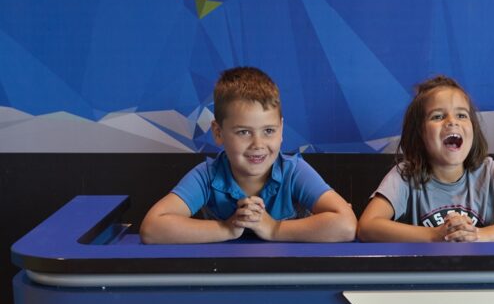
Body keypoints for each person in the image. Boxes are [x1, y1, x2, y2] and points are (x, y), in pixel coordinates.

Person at [140, 67, 356, 243]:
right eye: (244, 132)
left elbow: (345, 226)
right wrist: (227, 229)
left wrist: (273, 229)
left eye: (268, 131)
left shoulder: (294, 171)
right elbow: (152, 229)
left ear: (281, 130)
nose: (258, 144)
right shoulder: (206, 176)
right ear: (218, 132)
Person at [357, 75, 494, 242]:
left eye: (461, 115)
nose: (452, 121)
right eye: (438, 116)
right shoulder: (405, 175)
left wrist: (479, 235)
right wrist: (434, 235)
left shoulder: (490, 171)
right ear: (420, 134)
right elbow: (367, 226)